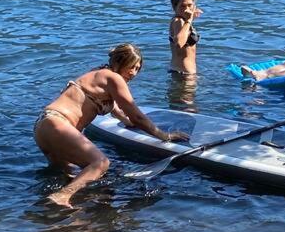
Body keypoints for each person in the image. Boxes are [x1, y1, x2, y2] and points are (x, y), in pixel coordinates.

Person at [34, 43, 189, 208]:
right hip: (58, 124)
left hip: (43, 127)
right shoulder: (113, 78)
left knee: (67, 175)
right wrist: (164, 136)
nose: (134, 73)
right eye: (131, 67)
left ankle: (52, 213)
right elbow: (137, 116)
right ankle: (62, 197)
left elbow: (118, 112)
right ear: (119, 63)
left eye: (138, 68)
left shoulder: (98, 74)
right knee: (100, 163)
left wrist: (126, 122)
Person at [169, 0, 203, 76]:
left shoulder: (183, 21)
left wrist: (190, 18)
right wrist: (189, 20)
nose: (186, 9)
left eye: (189, 5)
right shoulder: (178, 21)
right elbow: (180, 43)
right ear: (174, 8)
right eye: (182, 6)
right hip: (182, 75)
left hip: (186, 74)